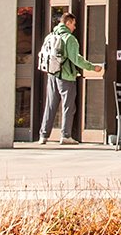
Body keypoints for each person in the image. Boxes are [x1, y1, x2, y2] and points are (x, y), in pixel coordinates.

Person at [33, 9, 98, 144]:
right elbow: (76, 59)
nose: (74, 27)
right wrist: (92, 67)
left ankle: (43, 135)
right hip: (66, 76)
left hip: (52, 75)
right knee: (68, 106)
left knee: (50, 105)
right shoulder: (69, 39)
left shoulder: (50, 36)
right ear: (68, 23)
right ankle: (66, 136)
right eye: (73, 24)